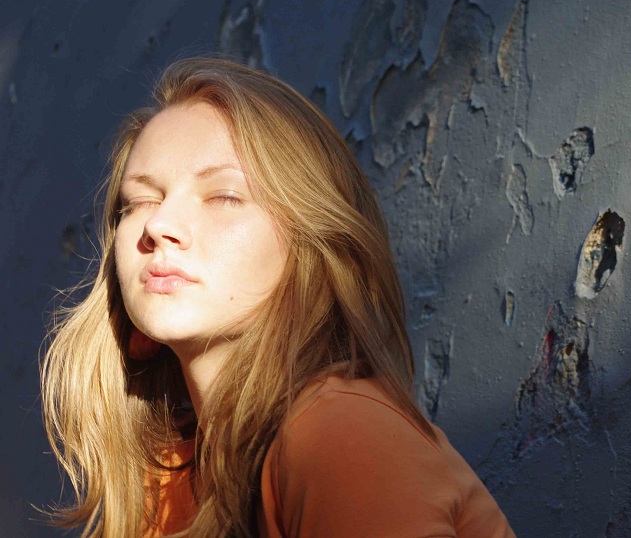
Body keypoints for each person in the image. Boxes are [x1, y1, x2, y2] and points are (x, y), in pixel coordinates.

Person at [41, 57, 515, 537]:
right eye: (141, 201)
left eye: (225, 196)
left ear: (309, 241)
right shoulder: (168, 482)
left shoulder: (339, 431)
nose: (158, 225)